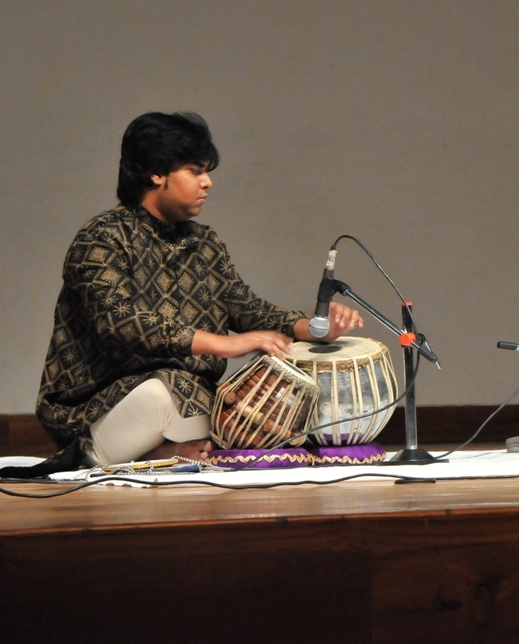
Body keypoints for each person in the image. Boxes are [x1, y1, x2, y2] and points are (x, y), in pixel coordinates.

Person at [35, 112, 363, 467]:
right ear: (156, 172)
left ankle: (156, 454)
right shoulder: (103, 237)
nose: (207, 182)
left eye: (207, 172)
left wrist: (317, 327)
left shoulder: (204, 243)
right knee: (166, 392)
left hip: (188, 394)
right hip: (102, 405)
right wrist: (223, 343)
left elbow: (247, 308)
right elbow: (119, 322)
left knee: (244, 395)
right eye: (195, 170)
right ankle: (92, 456)